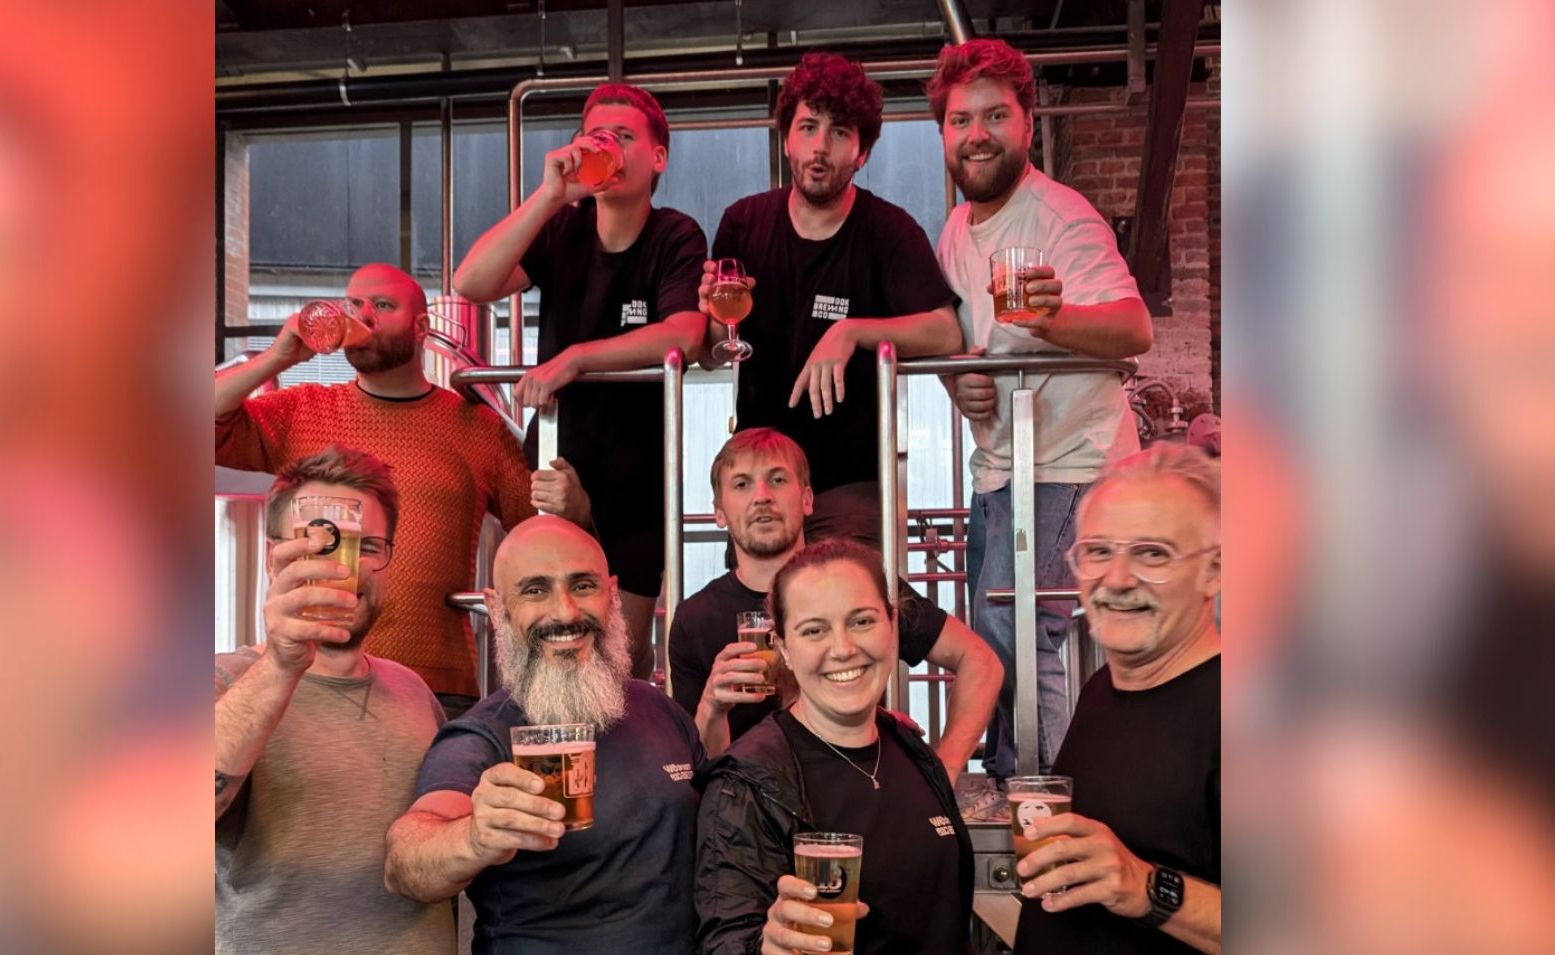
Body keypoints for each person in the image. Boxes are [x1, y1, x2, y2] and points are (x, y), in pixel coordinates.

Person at [926, 38, 1154, 780]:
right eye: (961, 121)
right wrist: (961, 381)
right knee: (990, 635)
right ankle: (1006, 772)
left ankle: (1040, 789)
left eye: (996, 116)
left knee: (1016, 627)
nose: (977, 134)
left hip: (1067, 458)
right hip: (999, 466)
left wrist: (1052, 323)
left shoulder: (1062, 215)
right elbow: (959, 347)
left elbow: (1135, 329)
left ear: (1027, 123)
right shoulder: (955, 231)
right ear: (944, 134)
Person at [215, 262, 561, 718]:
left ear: (421, 327)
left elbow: (538, 535)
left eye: (382, 305)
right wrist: (279, 357)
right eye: (354, 305)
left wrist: (571, 505)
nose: (363, 317)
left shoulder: (476, 428)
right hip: (313, 675)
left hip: (436, 686)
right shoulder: (302, 409)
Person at [454, 83, 709, 680]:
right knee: (544, 646)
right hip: (552, 470)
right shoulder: (563, 228)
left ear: (658, 157)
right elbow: (471, 282)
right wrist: (548, 197)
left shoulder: (675, 234)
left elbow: (685, 334)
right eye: (596, 137)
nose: (608, 148)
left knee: (621, 656)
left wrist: (576, 358)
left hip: (635, 483)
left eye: (624, 137)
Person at [383, 516, 709, 954]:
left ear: (612, 594)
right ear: (497, 608)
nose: (566, 612)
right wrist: (475, 836)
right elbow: (406, 863)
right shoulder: (482, 736)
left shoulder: (659, 708)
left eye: (583, 586)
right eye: (535, 589)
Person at [697, 51, 963, 550]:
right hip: (762, 476)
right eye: (808, 127)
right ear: (787, 137)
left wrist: (852, 331)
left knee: (838, 611)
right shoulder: (743, 223)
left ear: (861, 152)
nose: (820, 147)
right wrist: (713, 318)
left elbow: (945, 330)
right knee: (761, 620)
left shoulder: (890, 230)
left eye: (839, 132)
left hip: (851, 481)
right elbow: (714, 352)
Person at [214, 447, 455, 954]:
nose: (348, 565)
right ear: (275, 552)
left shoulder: (413, 691)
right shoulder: (218, 679)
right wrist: (282, 664)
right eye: (322, 542)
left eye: (368, 545)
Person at [694, 539, 974, 955]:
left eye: (861, 622)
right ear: (784, 648)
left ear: (893, 625)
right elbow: (724, 942)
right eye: (814, 630)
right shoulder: (745, 783)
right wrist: (766, 948)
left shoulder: (913, 751)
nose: (843, 649)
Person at [668, 427, 1003, 773]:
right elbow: (698, 769)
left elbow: (979, 661)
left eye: (778, 480)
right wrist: (712, 707)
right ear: (719, 511)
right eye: (742, 484)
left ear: (808, 499)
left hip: (856, 798)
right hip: (752, 814)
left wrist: (943, 772)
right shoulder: (696, 617)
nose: (762, 496)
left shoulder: (859, 584)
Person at [1012, 444, 1220, 954]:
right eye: (1098, 552)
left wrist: (1148, 887)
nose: (1118, 579)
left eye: (1153, 554)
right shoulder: (1102, 689)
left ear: (1215, 570)